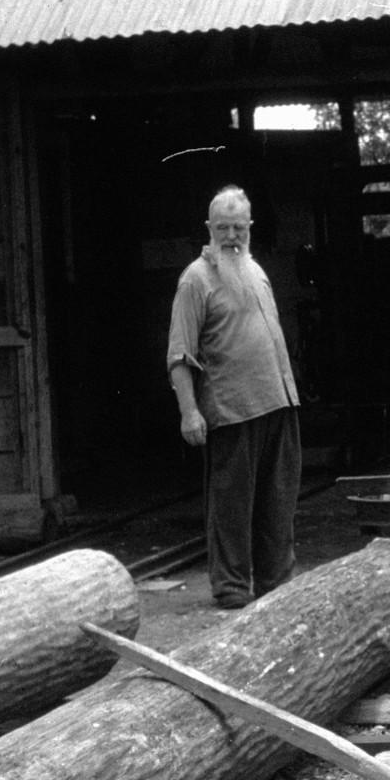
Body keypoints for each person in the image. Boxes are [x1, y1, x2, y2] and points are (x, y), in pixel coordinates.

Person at [167, 186, 301, 609]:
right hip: (231, 409)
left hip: (278, 401)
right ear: (208, 228)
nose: (231, 236)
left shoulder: (255, 270)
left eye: (238, 227)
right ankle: (231, 588)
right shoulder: (195, 279)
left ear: (249, 228)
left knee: (277, 501)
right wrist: (189, 412)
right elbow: (178, 355)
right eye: (222, 228)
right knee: (232, 507)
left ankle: (275, 582)